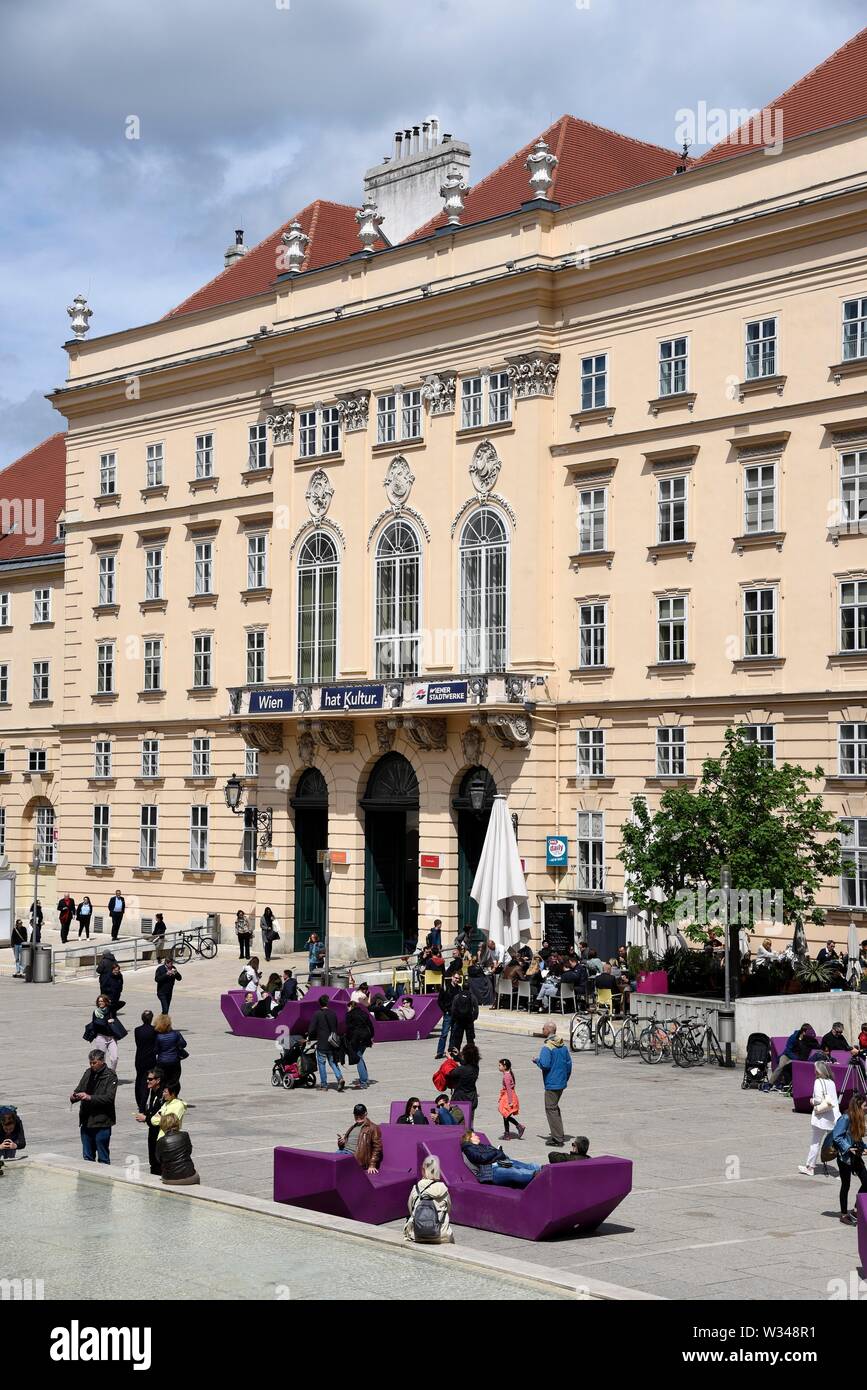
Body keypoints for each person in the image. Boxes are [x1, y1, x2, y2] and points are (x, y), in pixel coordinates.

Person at [70, 1049, 118, 1163]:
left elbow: (109, 1098)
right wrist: (74, 1097)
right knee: (87, 1157)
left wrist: (90, 1097)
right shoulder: (88, 1073)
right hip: (86, 1121)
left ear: (102, 1061)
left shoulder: (110, 1076)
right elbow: (79, 1089)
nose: (92, 1065)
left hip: (102, 1122)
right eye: (90, 1063)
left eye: (94, 1063)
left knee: (103, 1157)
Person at [533, 1021, 573, 1148]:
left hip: (552, 1083)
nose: (542, 1029)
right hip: (561, 1082)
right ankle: (559, 1133)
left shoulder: (547, 1047)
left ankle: (557, 1138)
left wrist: (537, 1061)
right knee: (555, 1108)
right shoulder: (562, 1045)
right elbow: (568, 1063)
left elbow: (545, 1064)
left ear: (548, 1031)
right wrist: (565, 1078)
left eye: (543, 1028)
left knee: (551, 1109)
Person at [798, 1060, 840, 1176]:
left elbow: (819, 1099)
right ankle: (847, 1165)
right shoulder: (831, 1082)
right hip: (834, 1117)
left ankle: (810, 1167)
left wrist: (811, 1101)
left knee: (815, 1142)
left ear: (818, 1071)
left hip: (822, 1118)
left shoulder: (818, 1082)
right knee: (837, 1143)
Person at [831, 1095, 867, 1225]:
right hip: (845, 1158)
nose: (866, 1108)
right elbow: (837, 1137)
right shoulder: (845, 1118)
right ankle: (844, 1214)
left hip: (856, 1156)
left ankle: (857, 1209)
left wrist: (864, 1148)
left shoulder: (859, 1118)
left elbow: (858, 1138)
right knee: (846, 1185)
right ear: (858, 1107)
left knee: (866, 1181)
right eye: (865, 1106)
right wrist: (848, 1148)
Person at [460, 1130, 541, 1188]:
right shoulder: (468, 1148)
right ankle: (538, 1176)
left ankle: (545, 1169)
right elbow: (481, 1158)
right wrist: (496, 1153)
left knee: (527, 1165)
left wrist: (496, 1153)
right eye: (474, 1135)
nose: (477, 1136)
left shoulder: (483, 1146)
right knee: (514, 1172)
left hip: (502, 1162)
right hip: (491, 1171)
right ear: (469, 1138)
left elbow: (499, 1154)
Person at [404, 1153, 453, 1244]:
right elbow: (449, 1209)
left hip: (417, 1234)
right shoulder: (443, 1188)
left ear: (423, 1170)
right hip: (440, 1235)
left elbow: (411, 1209)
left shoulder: (417, 1187)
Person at [307, 995, 344, 1092]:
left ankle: (324, 1085)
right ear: (328, 1003)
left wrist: (309, 1037)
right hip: (332, 1042)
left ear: (320, 1004)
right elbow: (336, 1027)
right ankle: (339, 1077)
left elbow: (312, 1029)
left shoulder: (317, 1014)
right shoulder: (333, 1014)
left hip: (322, 1043)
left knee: (322, 1063)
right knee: (333, 1062)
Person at [764, 1024, 816, 1090]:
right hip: (787, 1055)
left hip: (799, 1058)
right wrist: (795, 1059)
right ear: (803, 1032)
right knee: (781, 1066)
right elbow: (788, 1050)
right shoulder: (794, 1037)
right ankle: (770, 1084)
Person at [135, 1066, 165, 1174]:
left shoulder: (163, 1094)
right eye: (147, 1079)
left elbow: (160, 1115)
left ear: (158, 1080)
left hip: (160, 1133)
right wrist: (145, 1115)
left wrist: (146, 1118)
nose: (148, 1081)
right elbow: (153, 1110)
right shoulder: (152, 1091)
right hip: (152, 1131)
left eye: (150, 1079)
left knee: (159, 1162)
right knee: (152, 1161)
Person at [156, 1112, 200, 1186]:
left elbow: (158, 1159)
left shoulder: (161, 1140)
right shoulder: (185, 1135)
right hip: (189, 1175)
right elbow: (189, 1151)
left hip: (169, 1178)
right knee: (196, 1177)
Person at [337, 1103, 381, 1173]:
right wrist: (342, 1142)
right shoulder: (353, 1126)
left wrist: (372, 1164)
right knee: (327, 1162)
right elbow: (345, 1144)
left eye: (361, 1115)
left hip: (355, 1156)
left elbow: (377, 1147)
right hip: (342, 1152)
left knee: (335, 1167)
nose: (358, 1117)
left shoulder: (373, 1128)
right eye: (356, 1115)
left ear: (366, 1114)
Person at [86, 995, 122, 1071]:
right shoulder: (96, 1012)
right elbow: (96, 1022)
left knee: (114, 1058)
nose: (100, 1003)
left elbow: (122, 1003)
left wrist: (111, 1003)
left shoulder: (110, 1010)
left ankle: (112, 1073)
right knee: (101, 1059)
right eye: (99, 1001)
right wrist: (107, 1021)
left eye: (102, 1001)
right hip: (101, 1037)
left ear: (105, 1002)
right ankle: (103, 1075)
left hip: (111, 1037)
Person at [443, 1042, 480, 1117]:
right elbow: (466, 1063)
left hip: (460, 1100)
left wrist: (450, 1060)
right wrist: (459, 1055)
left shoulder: (462, 1070)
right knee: (470, 1122)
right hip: (472, 1099)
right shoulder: (475, 1067)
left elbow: (450, 1073)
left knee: (458, 1123)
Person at [345, 998, 374, 1089]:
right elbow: (371, 1025)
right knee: (360, 1056)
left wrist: (348, 1039)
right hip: (366, 1037)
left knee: (358, 1058)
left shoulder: (350, 1015)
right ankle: (365, 1078)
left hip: (357, 1038)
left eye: (348, 1007)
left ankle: (363, 1081)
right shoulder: (364, 1013)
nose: (347, 1009)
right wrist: (372, 1037)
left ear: (350, 1006)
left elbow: (348, 1029)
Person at [153, 1014, 187, 1092]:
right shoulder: (176, 1034)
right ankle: (173, 1097)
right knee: (174, 1081)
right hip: (174, 1061)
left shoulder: (158, 1037)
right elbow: (183, 1044)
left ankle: (162, 1097)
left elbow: (155, 1050)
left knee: (162, 1081)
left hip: (162, 1062)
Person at [133, 1010, 158, 1113]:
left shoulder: (137, 1030)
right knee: (147, 1082)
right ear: (151, 1019)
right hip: (150, 1059)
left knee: (139, 1080)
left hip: (139, 1058)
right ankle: (143, 1105)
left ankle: (139, 1103)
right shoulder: (155, 1030)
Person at [497, 1058, 525, 1140]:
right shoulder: (508, 1074)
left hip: (508, 1097)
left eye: (500, 1065)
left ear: (505, 1066)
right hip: (509, 1096)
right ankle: (511, 1131)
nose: (498, 1067)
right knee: (506, 1115)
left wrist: (510, 1101)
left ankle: (513, 1130)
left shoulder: (506, 1076)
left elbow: (509, 1089)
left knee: (506, 1115)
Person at [449, 980, 478, 1053]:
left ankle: (456, 1055)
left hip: (459, 1021)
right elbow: (476, 1010)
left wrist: (455, 1019)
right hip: (469, 1021)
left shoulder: (457, 996)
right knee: (470, 1040)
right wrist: (473, 1019)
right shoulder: (472, 997)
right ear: (469, 988)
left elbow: (453, 1009)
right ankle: (471, 1056)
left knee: (457, 1040)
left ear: (462, 987)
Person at [435, 974, 459, 1060]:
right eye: (455, 978)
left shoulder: (458, 988)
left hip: (456, 1015)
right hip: (448, 1014)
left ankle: (450, 1052)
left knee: (453, 1034)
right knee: (444, 1034)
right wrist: (445, 1010)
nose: (457, 980)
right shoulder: (445, 987)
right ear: (452, 977)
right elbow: (439, 1001)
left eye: (458, 978)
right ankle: (440, 1052)